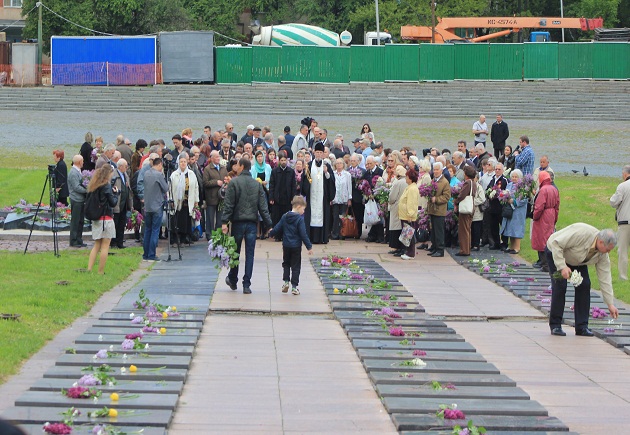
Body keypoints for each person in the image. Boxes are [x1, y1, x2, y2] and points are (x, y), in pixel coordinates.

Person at [546, 225, 619, 336]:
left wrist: (610, 304)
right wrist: (561, 266)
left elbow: (605, 277)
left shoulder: (602, 254)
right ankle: (555, 325)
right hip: (556, 253)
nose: (608, 253)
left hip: (577, 261)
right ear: (600, 242)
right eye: (608, 249)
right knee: (560, 286)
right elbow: (556, 243)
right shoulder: (582, 234)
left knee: (584, 285)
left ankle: (582, 327)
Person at [222, 158, 273, 294]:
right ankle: (246, 284)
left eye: (238, 165)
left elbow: (229, 204)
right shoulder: (256, 185)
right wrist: (269, 225)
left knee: (235, 252)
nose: (236, 167)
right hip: (251, 223)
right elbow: (263, 207)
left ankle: (233, 279)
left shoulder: (234, 183)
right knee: (250, 254)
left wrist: (224, 222)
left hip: (238, 222)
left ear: (242, 166)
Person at [269, 196, 313, 296]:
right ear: (298, 207)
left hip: (286, 245)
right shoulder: (299, 219)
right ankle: (294, 286)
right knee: (296, 266)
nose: (303, 211)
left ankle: (285, 282)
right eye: (303, 209)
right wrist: (309, 246)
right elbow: (303, 234)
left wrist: (271, 233)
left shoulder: (285, 216)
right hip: (296, 246)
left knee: (286, 263)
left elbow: (278, 227)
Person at [87, 165, 119, 274]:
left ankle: (89, 269)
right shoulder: (106, 186)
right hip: (106, 218)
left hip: (96, 218)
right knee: (105, 246)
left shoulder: (94, 185)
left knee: (96, 245)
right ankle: (100, 271)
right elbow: (113, 202)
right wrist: (116, 194)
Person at [302, 142, 336, 244]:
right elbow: (305, 181)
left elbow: (332, 181)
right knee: (311, 216)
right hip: (312, 196)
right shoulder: (309, 165)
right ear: (314, 153)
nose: (319, 154)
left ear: (323, 154)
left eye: (321, 152)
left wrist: (326, 173)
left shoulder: (327, 166)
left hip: (322, 197)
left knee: (322, 216)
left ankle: (322, 238)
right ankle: (310, 237)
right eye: (317, 152)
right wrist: (306, 178)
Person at [169, 153, 199, 246]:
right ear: (178, 163)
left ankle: (184, 238)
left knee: (185, 221)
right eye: (181, 162)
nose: (183, 163)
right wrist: (171, 200)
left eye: (184, 162)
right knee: (176, 220)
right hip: (177, 201)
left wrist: (196, 201)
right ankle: (175, 239)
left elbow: (195, 188)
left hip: (187, 201)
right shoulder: (174, 175)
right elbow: (170, 189)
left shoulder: (191, 174)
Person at [531, 171, 560, 272]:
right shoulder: (554, 189)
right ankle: (548, 264)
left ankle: (545, 265)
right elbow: (557, 205)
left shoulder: (543, 190)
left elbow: (539, 207)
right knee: (548, 237)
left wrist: (534, 216)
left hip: (543, 215)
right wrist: (555, 218)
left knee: (541, 239)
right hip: (551, 215)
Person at [143, 157, 168, 261]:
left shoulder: (146, 173)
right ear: (160, 165)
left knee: (147, 230)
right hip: (157, 205)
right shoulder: (158, 175)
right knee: (155, 230)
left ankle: (146, 254)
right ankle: (152, 254)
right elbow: (166, 188)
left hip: (147, 206)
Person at [269, 151, 297, 241]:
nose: (283, 162)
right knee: (277, 218)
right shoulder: (275, 171)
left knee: (287, 218)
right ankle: (278, 235)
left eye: (285, 160)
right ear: (279, 161)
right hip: (278, 199)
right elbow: (272, 185)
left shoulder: (291, 172)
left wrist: (293, 198)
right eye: (282, 160)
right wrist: (271, 197)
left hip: (288, 199)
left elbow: (293, 186)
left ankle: (286, 235)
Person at [500, 169, 528, 254]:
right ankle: (511, 246)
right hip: (509, 209)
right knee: (510, 227)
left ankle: (517, 247)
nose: (514, 178)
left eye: (516, 177)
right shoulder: (509, 185)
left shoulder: (523, 187)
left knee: (517, 228)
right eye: (513, 177)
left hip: (518, 210)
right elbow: (505, 193)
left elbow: (524, 199)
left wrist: (514, 201)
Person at [426, 162, 451, 257]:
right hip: (432, 209)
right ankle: (434, 247)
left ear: (441, 170)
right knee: (433, 230)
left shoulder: (445, 182)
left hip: (439, 210)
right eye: (434, 169)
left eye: (437, 169)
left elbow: (446, 197)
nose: (435, 171)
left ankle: (440, 250)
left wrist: (436, 199)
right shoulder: (434, 180)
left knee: (439, 230)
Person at [610, 164, 630, 280]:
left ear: (624, 174)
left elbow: (614, 202)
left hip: (625, 222)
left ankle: (623, 276)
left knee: (622, 250)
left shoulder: (622, 186)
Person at [202, 151, 228, 239]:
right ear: (212, 158)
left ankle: (218, 234)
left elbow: (227, 178)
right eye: (216, 157)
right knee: (210, 217)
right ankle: (209, 234)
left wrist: (226, 183)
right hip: (211, 197)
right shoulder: (207, 169)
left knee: (220, 217)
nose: (218, 158)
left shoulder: (223, 168)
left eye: (219, 157)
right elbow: (205, 183)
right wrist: (216, 182)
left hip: (221, 197)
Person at [454, 165, 478, 256]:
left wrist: (456, 201)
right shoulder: (473, 183)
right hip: (471, 207)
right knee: (467, 229)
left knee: (463, 229)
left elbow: (462, 195)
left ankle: (464, 250)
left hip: (465, 208)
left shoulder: (467, 183)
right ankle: (467, 248)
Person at [399, 168, 420, 260]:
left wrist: (410, 214)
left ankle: (410, 253)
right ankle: (408, 251)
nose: (405, 179)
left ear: (410, 178)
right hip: (404, 214)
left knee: (409, 234)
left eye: (407, 177)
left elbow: (411, 203)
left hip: (408, 215)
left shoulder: (412, 189)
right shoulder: (410, 187)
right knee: (406, 234)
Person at [111, 159, 132, 249]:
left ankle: (120, 242)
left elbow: (128, 189)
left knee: (122, 224)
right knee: (115, 223)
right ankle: (113, 242)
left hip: (124, 204)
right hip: (117, 203)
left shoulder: (125, 174)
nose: (127, 168)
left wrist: (130, 204)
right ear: (120, 166)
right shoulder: (114, 175)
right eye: (125, 166)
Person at [487, 162, 508, 250]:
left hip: (501, 207)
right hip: (492, 206)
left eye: (499, 169)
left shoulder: (504, 180)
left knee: (502, 225)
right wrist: (489, 193)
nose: (497, 171)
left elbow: (506, 191)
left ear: (502, 170)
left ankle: (504, 243)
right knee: (493, 226)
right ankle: (496, 243)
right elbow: (488, 188)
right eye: (496, 169)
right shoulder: (492, 179)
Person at [68, 155, 88, 248]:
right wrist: (87, 190)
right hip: (76, 199)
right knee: (75, 221)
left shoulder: (78, 171)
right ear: (79, 162)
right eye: (82, 161)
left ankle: (79, 239)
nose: (83, 162)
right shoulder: (73, 173)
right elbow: (76, 187)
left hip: (80, 199)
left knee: (80, 221)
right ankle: (74, 240)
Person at [330, 158, 352, 240]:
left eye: (340, 163)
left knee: (342, 217)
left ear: (343, 164)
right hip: (335, 198)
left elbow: (349, 187)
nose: (339, 165)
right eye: (337, 163)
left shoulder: (347, 174)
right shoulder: (333, 174)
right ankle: (335, 233)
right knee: (335, 217)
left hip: (344, 198)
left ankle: (342, 233)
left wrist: (350, 199)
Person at [252, 150, 272, 239]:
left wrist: (265, 183)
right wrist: (257, 182)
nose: (260, 158)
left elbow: (271, 179)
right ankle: (257, 232)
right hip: (256, 191)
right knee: (256, 212)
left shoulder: (267, 167)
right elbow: (251, 179)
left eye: (261, 156)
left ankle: (265, 231)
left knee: (265, 211)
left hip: (265, 191)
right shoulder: (253, 168)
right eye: (258, 157)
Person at [388, 166, 407, 256]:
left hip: (396, 207)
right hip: (404, 208)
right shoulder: (407, 182)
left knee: (396, 228)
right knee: (402, 227)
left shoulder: (398, 183)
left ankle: (398, 247)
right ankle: (401, 248)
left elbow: (392, 197)